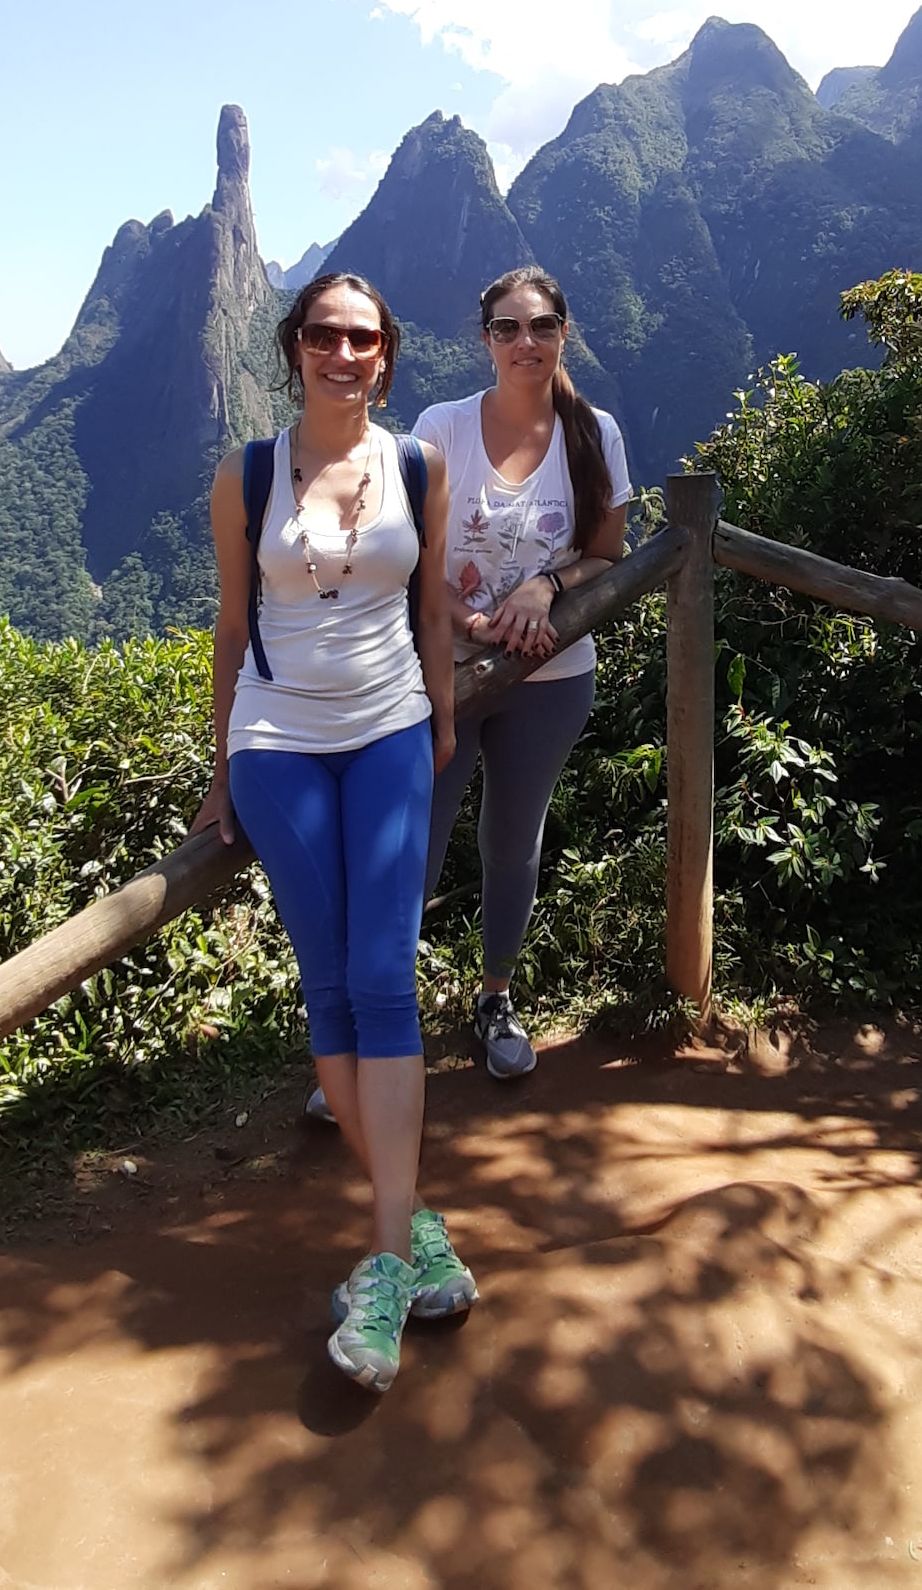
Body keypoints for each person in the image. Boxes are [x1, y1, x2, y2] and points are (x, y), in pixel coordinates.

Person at [188, 271, 477, 1395]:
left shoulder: (419, 465)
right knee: (332, 987)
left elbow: (432, 608)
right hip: (277, 744)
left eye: (362, 338)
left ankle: (391, 1256)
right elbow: (228, 622)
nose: (342, 354)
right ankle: (413, 1241)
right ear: (294, 346)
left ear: (386, 355)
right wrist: (220, 770)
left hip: (392, 729)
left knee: (383, 981)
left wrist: (444, 714)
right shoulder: (248, 472)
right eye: (323, 334)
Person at [413, 265, 632, 1079]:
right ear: (485, 340)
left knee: (513, 841)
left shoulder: (593, 431)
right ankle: (381, 1026)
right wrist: (469, 620)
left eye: (540, 325)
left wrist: (547, 585)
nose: (524, 341)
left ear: (562, 331)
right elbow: (409, 556)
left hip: (551, 680)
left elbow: (607, 555)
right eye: (507, 327)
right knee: (417, 847)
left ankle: (495, 996)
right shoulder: (442, 428)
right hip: (447, 675)